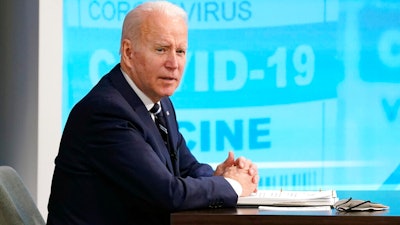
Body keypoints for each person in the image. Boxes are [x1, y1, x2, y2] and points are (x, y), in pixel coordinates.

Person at [47, 1, 259, 225]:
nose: (174, 64)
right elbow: (168, 193)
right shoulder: (106, 112)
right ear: (128, 53)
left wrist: (219, 176)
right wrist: (232, 185)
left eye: (180, 51)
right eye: (161, 49)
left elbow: (186, 168)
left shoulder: (160, 103)